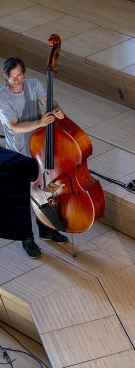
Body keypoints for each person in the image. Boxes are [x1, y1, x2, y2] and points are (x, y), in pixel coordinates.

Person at [0, 57, 69, 258]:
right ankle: (27, 238)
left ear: (24, 73)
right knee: (22, 200)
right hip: (20, 154)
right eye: (12, 77)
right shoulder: (2, 98)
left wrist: (56, 109)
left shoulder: (33, 84)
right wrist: (40, 122)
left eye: (19, 75)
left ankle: (46, 228)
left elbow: (47, 100)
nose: (17, 80)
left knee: (48, 191)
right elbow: (15, 126)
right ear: (6, 78)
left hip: (40, 147)